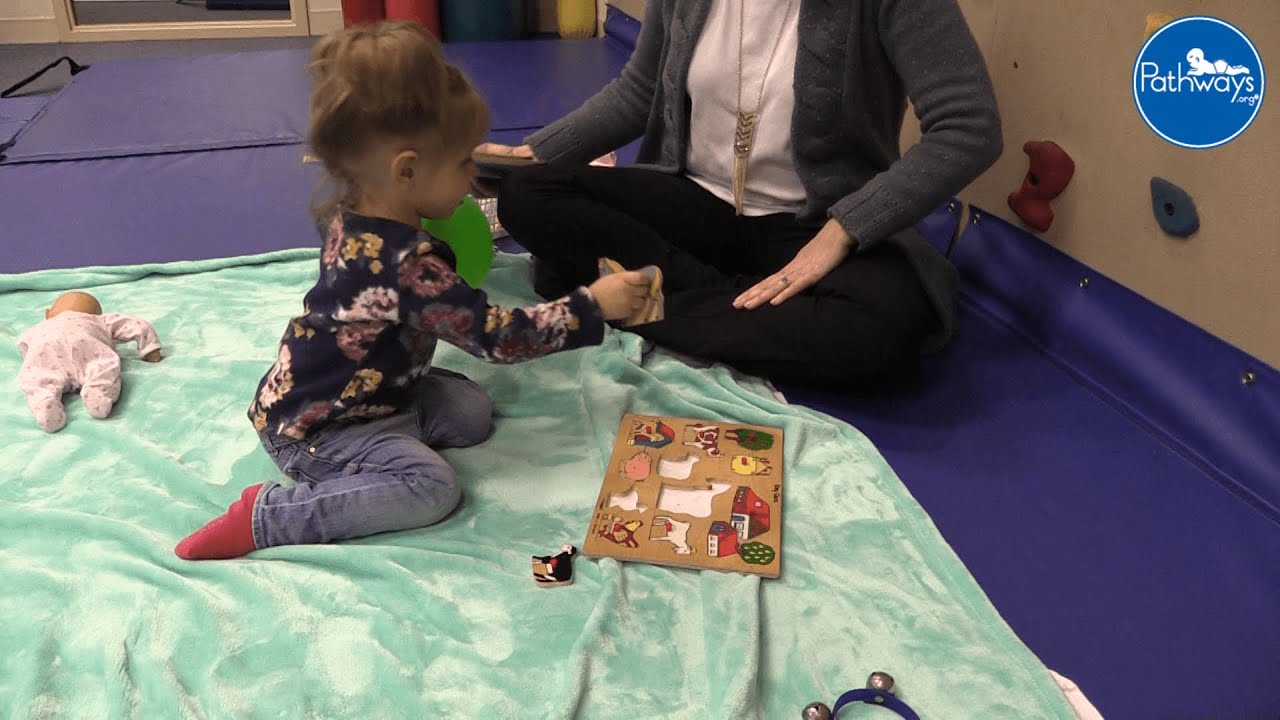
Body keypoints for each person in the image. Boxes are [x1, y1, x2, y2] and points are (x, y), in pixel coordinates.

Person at [175, 21, 653, 560]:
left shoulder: (360, 211)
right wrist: (593, 305)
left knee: (472, 414)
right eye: (462, 162)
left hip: (370, 391)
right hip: (316, 428)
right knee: (432, 488)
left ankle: (394, 429)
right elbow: (497, 339)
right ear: (407, 171)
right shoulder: (402, 267)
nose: (473, 175)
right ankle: (270, 517)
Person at [484, 0, 1002, 391]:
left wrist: (844, 229)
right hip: (695, 204)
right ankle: (722, 308)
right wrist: (535, 153)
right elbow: (639, 91)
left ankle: (645, 298)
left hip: (812, 227)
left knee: (884, 332)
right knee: (528, 194)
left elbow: (968, 126)